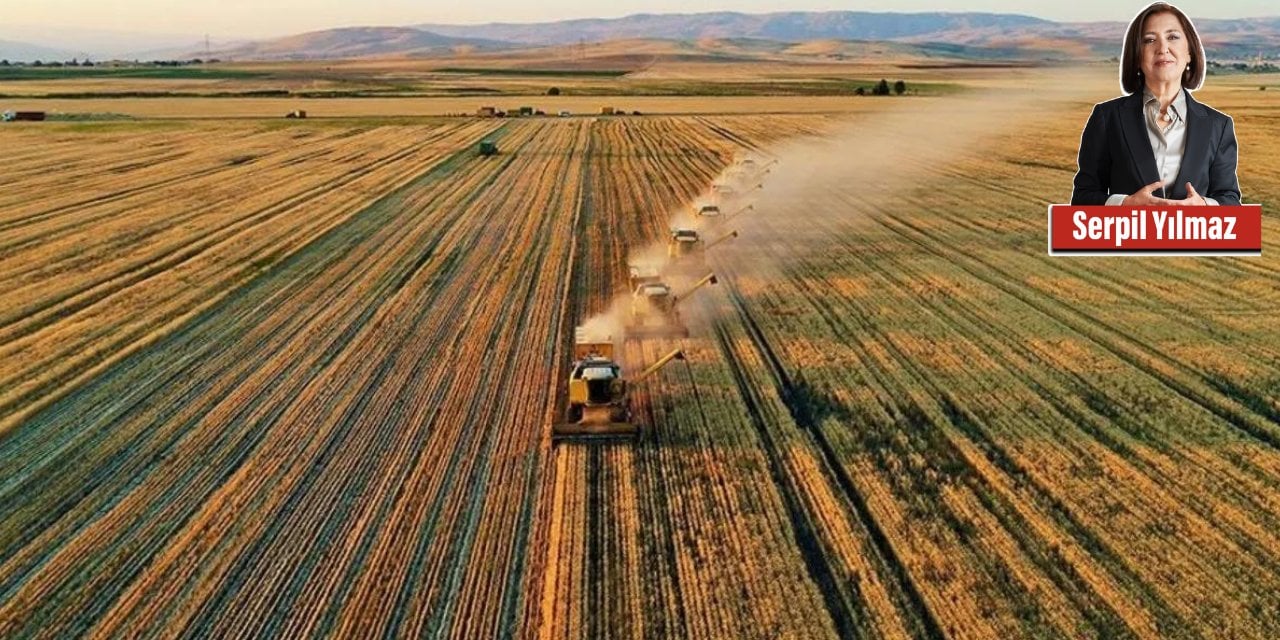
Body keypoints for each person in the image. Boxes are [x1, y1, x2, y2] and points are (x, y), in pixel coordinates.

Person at [1072, 2, 1241, 206]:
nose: (1162, 48)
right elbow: (1082, 198)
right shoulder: (1107, 118)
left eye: (1173, 37)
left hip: (1194, 238)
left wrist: (1204, 206)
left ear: (1190, 52)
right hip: (1126, 238)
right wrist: (1125, 204)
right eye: (1149, 40)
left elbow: (1230, 200)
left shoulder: (1218, 125)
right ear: (1137, 56)